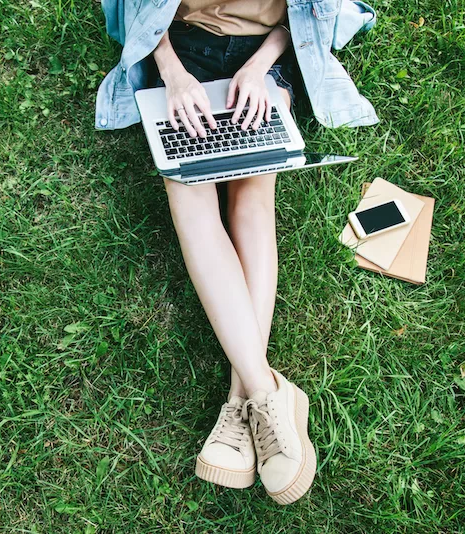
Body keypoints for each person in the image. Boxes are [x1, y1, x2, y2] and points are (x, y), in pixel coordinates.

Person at [96, 0, 379, 505]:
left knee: (252, 195)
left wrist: (259, 65)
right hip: (181, 50)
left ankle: (240, 397)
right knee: (187, 185)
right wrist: (171, 71)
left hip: (264, 54)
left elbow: (314, 13)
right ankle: (266, 393)